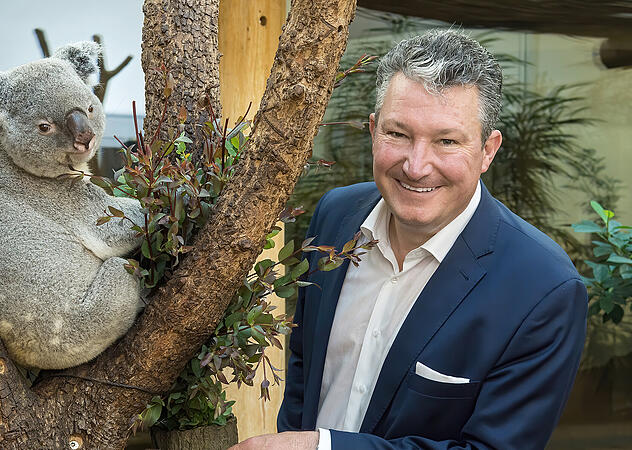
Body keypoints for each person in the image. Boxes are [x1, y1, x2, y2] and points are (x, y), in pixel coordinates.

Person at [231, 29, 587, 450]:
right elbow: (306, 363)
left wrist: (319, 447)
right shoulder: (335, 215)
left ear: (488, 150)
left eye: (447, 141)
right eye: (398, 134)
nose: (416, 166)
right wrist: (293, 435)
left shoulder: (544, 288)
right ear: (373, 129)